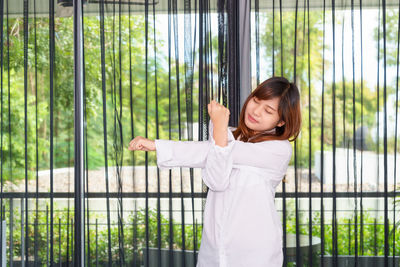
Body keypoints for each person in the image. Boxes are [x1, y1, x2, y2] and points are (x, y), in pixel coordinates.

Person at [128, 76, 302, 267]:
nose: (256, 111)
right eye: (256, 101)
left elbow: (217, 152)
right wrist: (156, 145)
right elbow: (216, 179)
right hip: (215, 248)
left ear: (281, 122)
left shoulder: (278, 149)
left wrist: (158, 145)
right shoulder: (227, 137)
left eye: (268, 110)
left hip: (254, 251)